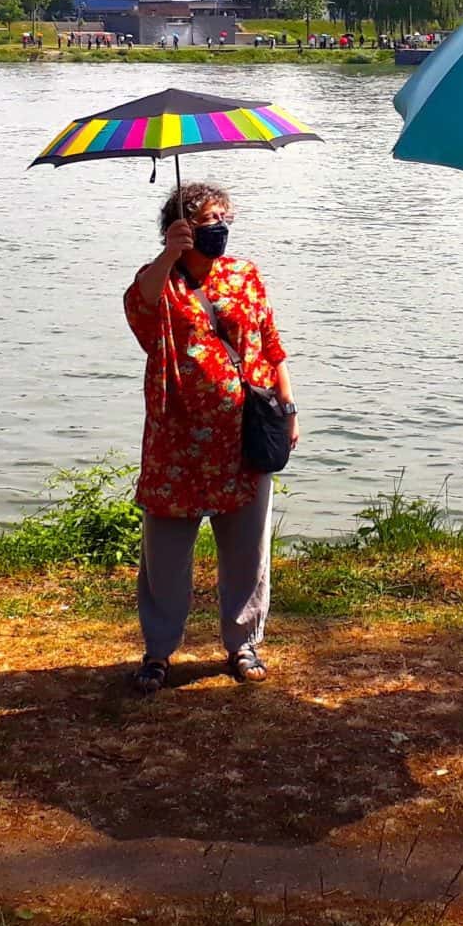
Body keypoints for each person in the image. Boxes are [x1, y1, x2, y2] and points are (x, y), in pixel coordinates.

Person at [123, 180, 299, 694]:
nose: (217, 228)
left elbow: (270, 342)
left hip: (241, 438)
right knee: (165, 556)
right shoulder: (160, 283)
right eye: (205, 221)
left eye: (224, 217)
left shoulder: (244, 276)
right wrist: (168, 254)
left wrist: (287, 407)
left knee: (247, 551)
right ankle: (158, 652)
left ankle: (243, 642)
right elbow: (140, 306)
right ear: (179, 229)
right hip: (176, 442)